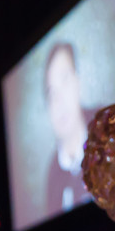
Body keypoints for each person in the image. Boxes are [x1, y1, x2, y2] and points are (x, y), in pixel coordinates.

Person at [43, 43, 96, 218]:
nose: (59, 100)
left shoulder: (108, 129)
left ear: (78, 82)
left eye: (65, 80)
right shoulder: (52, 175)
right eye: (52, 93)